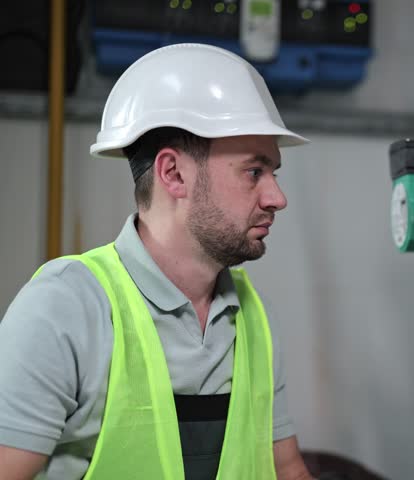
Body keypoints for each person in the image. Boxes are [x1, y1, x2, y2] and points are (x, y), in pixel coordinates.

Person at [0, 43, 314, 479]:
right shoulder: (64, 309)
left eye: (273, 173)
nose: (276, 197)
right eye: (253, 172)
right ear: (174, 174)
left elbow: (287, 470)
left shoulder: (254, 317)